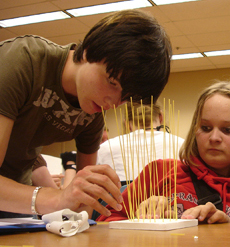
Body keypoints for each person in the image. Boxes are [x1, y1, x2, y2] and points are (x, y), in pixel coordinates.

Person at [0, 9, 172, 218]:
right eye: (112, 82)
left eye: (126, 98)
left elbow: (85, 201)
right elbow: (61, 199)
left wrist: (84, 202)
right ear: (90, 50)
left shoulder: (93, 109)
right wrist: (59, 198)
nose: (113, 103)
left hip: (17, 203)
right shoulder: (24, 60)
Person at [97, 80, 230, 223]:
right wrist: (138, 221)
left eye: (228, 130)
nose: (214, 138)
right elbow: (105, 224)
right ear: (195, 129)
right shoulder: (158, 173)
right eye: (205, 128)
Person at [97, 102, 185, 184]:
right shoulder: (183, 146)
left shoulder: (105, 148)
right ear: (161, 117)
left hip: (122, 200)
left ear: (127, 124)